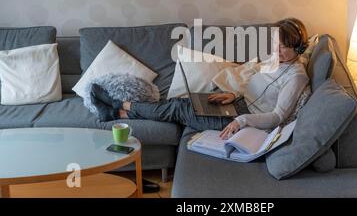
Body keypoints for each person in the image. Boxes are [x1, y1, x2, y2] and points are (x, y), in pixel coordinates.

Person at [91, 18, 310, 140]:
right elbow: (259, 86)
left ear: (298, 48)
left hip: (247, 119)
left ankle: (119, 106)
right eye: (275, 43)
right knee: (182, 101)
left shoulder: (297, 77)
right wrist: (233, 94)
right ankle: (117, 111)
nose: (276, 50)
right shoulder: (276, 61)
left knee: (177, 109)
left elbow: (278, 116)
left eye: (283, 46)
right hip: (237, 104)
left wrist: (240, 121)